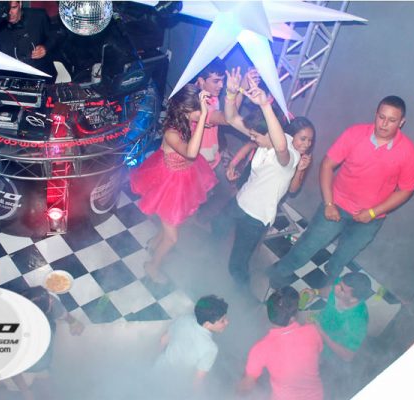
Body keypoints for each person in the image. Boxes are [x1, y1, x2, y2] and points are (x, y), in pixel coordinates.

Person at [269, 95, 414, 288]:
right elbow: (327, 165)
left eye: (391, 120)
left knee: (343, 256)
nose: (384, 124)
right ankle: (279, 273)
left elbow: (406, 190)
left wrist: (372, 213)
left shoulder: (408, 152)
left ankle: (328, 283)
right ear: (376, 114)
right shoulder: (355, 134)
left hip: (371, 219)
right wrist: (329, 203)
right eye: (381, 117)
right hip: (336, 206)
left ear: (401, 122)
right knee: (308, 245)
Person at [224, 68, 314, 287]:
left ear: (269, 135)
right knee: (218, 226)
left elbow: (281, 146)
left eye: (256, 135)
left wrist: (265, 105)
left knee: (237, 264)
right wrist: (230, 94)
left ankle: (243, 295)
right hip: (240, 202)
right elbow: (231, 118)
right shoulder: (265, 139)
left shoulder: (289, 155)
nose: (252, 138)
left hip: (255, 218)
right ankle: (207, 255)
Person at [130, 84, 216, 283]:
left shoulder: (186, 122)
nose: (203, 112)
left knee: (171, 221)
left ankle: (155, 243)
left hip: (185, 178)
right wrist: (202, 118)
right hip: (170, 184)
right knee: (173, 237)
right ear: (185, 109)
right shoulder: (172, 132)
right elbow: (191, 153)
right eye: (199, 109)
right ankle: (152, 266)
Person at [193, 60, 260, 225]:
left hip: (211, 158)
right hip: (196, 163)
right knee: (192, 198)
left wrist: (241, 87)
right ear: (201, 81)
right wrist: (235, 92)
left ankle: (200, 219)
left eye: (222, 81)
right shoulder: (196, 104)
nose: (221, 85)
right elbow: (227, 119)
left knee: (224, 191)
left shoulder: (210, 96)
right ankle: (188, 224)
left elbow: (230, 114)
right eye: (216, 81)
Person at [238, 286, 323, 400]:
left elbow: (247, 386)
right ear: (293, 317)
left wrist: (236, 392)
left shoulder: (260, 349)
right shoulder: (312, 331)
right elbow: (316, 351)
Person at [7, 286, 85, 400]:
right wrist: (26, 392)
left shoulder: (47, 300)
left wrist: (73, 322)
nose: (52, 300)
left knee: (47, 387)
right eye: (49, 302)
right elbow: (10, 366)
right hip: (20, 370)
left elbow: (60, 312)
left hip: (41, 364)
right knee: (14, 388)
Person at [303, 272, 372, 397]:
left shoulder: (358, 321)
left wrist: (321, 333)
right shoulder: (342, 285)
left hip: (329, 354)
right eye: (339, 283)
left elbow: (347, 356)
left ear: (354, 299)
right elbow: (330, 290)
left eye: (341, 289)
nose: (336, 287)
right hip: (317, 332)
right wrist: (316, 292)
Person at [155, 295, 229, 384]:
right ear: (207, 324)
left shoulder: (184, 319)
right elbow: (197, 381)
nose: (227, 322)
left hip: (158, 368)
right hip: (175, 383)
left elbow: (163, 340)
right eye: (222, 321)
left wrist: (153, 361)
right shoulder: (211, 348)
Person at [0, 1, 58, 79]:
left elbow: (55, 36)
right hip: (11, 76)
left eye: (13, 7)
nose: (10, 13)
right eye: (6, 9)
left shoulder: (38, 16)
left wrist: (45, 48)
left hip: (42, 74)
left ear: (20, 4)